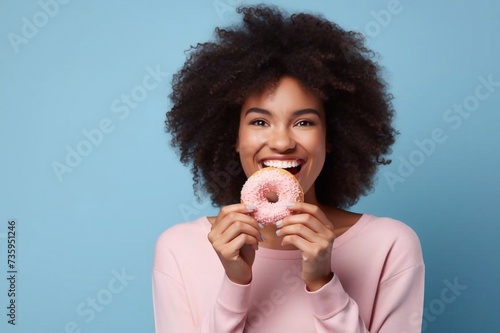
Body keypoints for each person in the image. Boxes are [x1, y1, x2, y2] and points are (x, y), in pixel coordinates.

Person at [153, 5, 424, 332]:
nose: (281, 142)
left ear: (331, 137)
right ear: (233, 136)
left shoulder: (390, 245)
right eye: (260, 121)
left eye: (304, 121)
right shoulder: (180, 249)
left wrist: (323, 283)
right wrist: (236, 284)